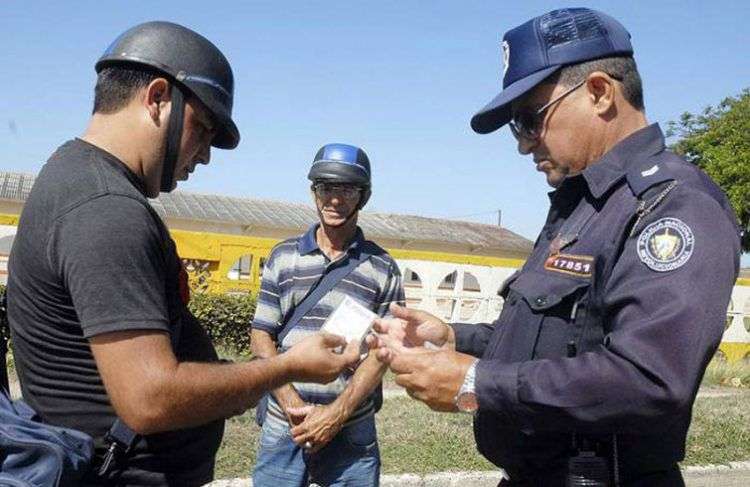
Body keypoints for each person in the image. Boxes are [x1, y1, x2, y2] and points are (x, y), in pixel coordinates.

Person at [373, 8, 740, 486]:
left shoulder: (673, 205)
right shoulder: (580, 206)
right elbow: (553, 337)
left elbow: (651, 378)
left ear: (599, 92)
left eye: (530, 119)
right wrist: (454, 339)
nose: (524, 145)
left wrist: (474, 381)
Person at [6, 22, 359, 487]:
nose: (206, 156)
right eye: (204, 129)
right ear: (157, 98)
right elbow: (150, 397)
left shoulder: (73, 176)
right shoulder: (107, 212)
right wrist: (286, 367)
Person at [251, 143, 405, 486]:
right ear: (313, 192)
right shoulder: (283, 256)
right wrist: (292, 403)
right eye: (326, 187)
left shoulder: (383, 268)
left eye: (347, 189)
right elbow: (261, 335)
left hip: (351, 426)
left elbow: (385, 351)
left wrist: (337, 413)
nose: (335, 199)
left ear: (363, 197)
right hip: (284, 421)